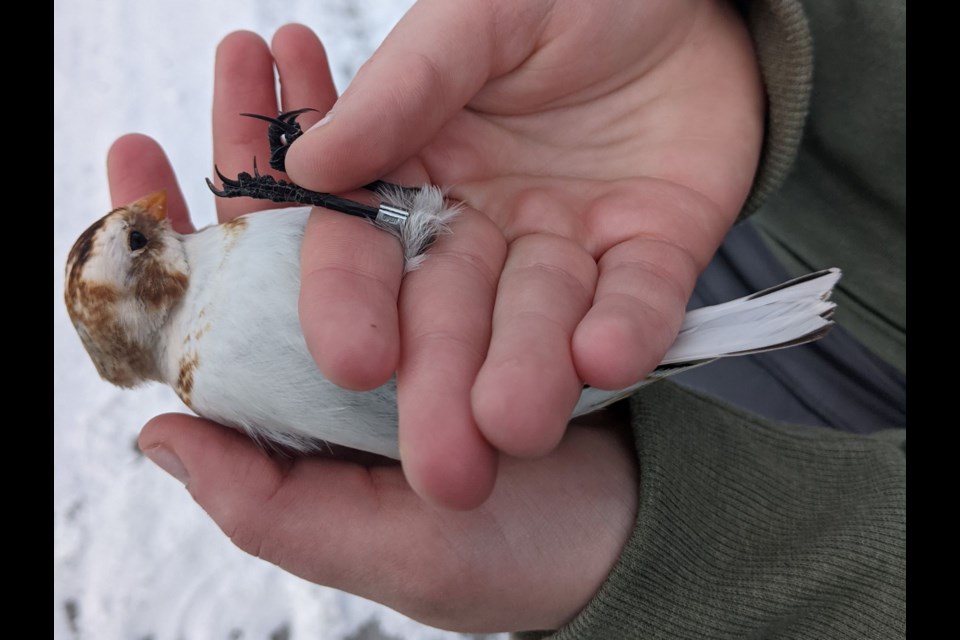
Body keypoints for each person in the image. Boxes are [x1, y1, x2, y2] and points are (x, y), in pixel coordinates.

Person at [111, 0, 905, 636]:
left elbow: (394, 236)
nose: (158, 220)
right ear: (146, 298)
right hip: (580, 306)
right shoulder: (219, 373)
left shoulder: (221, 302)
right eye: (142, 240)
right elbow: (390, 362)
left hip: (650, 245)